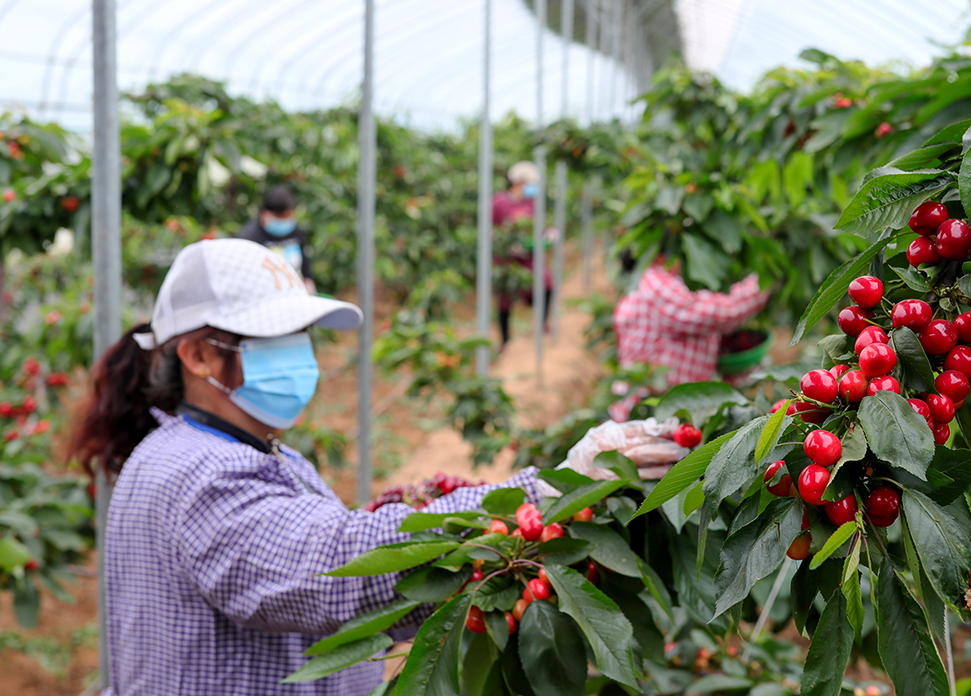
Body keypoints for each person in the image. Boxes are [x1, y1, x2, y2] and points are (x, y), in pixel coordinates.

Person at [70, 238, 681, 695]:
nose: (301, 356)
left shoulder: (225, 448)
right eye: (275, 339)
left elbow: (338, 576)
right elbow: (331, 569)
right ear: (200, 355)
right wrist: (543, 492)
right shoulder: (201, 476)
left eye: (301, 335)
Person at [610, 256, 770, 420]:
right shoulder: (656, 282)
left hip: (666, 410)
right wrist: (765, 279)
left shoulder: (646, 280)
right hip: (654, 412)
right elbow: (719, 314)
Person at [491, 161, 552, 346]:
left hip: (528, 257)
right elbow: (490, 231)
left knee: (547, 283)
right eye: (530, 184)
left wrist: (548, 234)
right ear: (518, 182)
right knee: (504, 299)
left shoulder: (531, 203)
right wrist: (504, 244)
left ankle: (541, 324)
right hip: (505, 260)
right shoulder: (498, 203)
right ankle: (505, 341)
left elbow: (539, 226)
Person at [237, 185, 317, 294]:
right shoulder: (249, 237)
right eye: (280, 216)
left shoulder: (295, 232)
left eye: (288, 215)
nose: (285, 220)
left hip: (296, 294)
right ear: (265, 213)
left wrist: (308, 283)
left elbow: (305, 263)